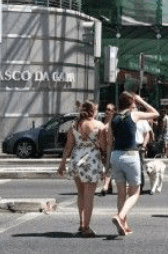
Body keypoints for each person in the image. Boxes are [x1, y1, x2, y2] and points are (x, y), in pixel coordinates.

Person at [109, 91, 159, 235]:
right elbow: (155, 113)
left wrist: (107, 164)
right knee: (135, 193)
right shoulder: (134, 115)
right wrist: (140, 101)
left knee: (121, 193)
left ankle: (123, 225)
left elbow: (110, 141)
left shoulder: (113, 118)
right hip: (130, 155)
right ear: (132, 103)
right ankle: (120, 216)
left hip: (116, 155)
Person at [58, 100, 108, 237]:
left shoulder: (74, 125)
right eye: (96, 109)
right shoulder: (98, 125)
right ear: (93, 111)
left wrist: (62, 164)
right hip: (91, 159)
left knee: (80, 193)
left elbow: (68, 146)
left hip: (76, 158)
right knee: (89, 196)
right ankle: (86, 227)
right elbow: (104, 146)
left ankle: (81, 222)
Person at [98, 102, 116, 196]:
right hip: (104, 149)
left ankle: (105, 187)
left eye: (109, 110)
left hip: (112, 148)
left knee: (108, 168)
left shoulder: (114, 122)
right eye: (106, 109)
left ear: (113, 111)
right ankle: (109, 187)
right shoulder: (104, 121)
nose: (107, 111)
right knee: (106, 167)